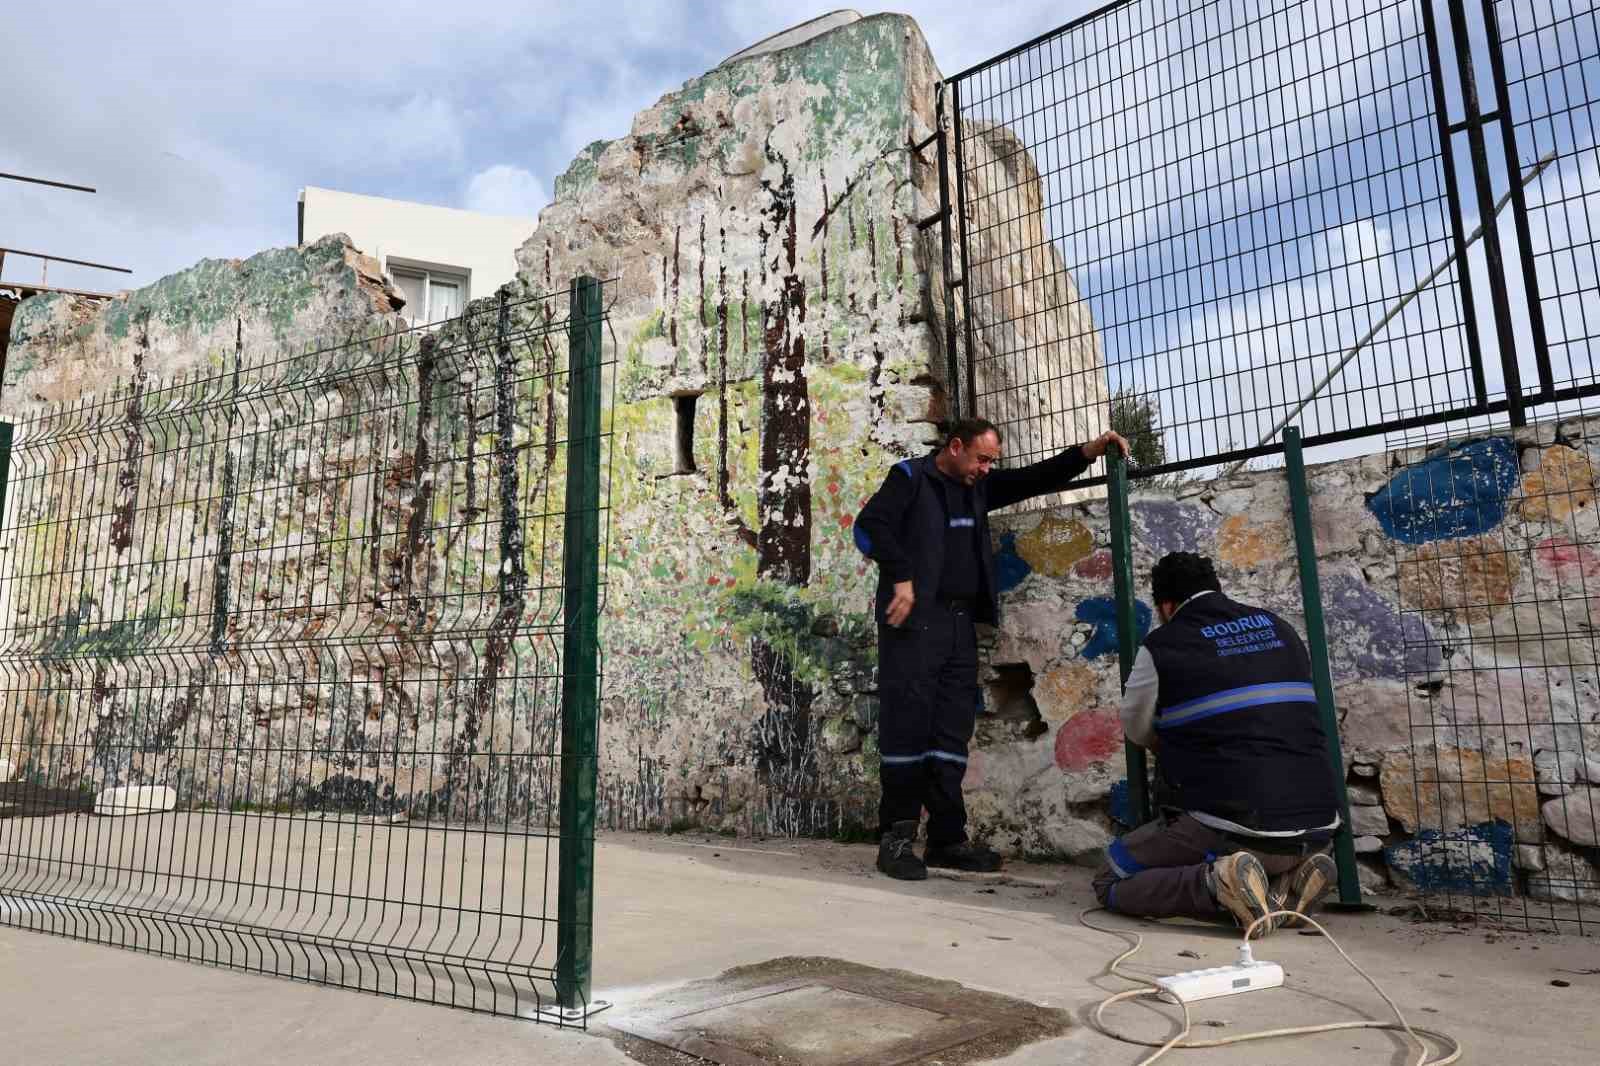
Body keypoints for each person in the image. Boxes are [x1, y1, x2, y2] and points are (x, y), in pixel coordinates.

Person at [853, 418, 1130, 880]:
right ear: (956, 446)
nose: (987, 469)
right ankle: (897, 838)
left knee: (950, 734)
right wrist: (901, 575)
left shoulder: (978, 486)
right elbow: (870, 527)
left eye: (991, 462)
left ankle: (946, 839)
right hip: (913, 623)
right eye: (982, 458)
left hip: (960, 625)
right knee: (909, 726)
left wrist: (1089, 451)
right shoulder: (910, 478)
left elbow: (1034, 478)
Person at [1094, 551, 1341, 936]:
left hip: (1236, 828)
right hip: (1318, 829)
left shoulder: (1164, 644)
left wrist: (1169, 744)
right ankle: (1285, 896)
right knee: (1266, 853)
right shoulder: (1280, 628)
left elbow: (1136, 727)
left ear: (1165, 605)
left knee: (1111, 877)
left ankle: (1218, 885)